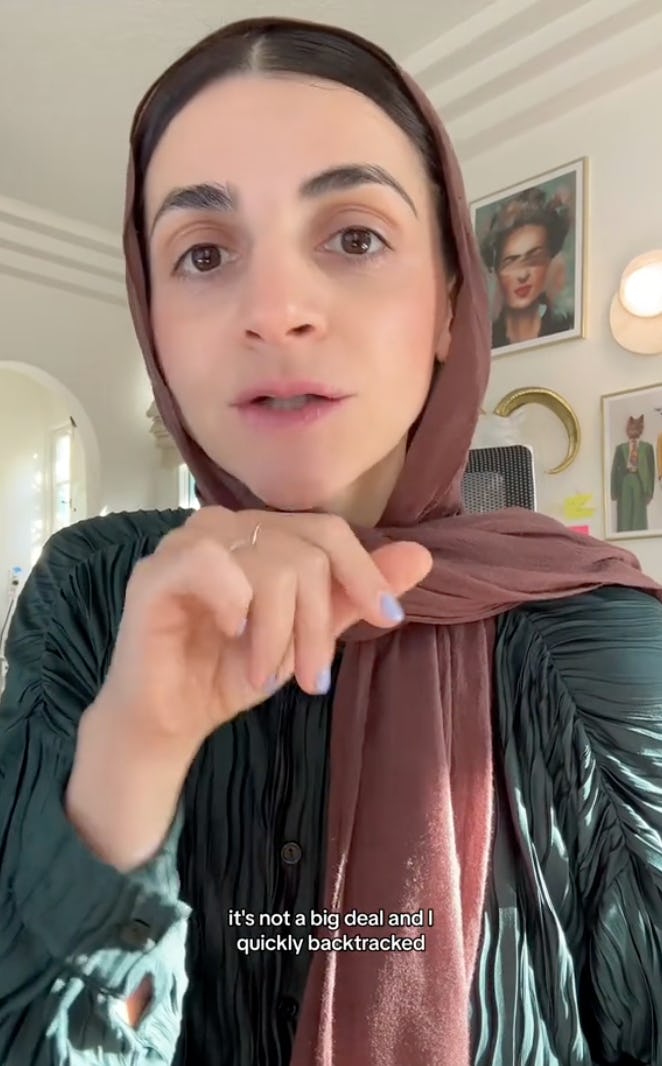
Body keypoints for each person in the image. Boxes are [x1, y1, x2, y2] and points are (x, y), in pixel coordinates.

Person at [1, 16, 662, 1066]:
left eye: (353, 236)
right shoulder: (91, 596)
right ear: (152, 322)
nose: (275, 309)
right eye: (204, 253)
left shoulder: (598, 646)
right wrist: (133, 750)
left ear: (450, 301)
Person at [479, 187, 574, 349]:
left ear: (548, 261)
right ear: (496, 269)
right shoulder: (483, 342)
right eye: (511, 262)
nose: (523, 275)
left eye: (534, 259)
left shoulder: (566, 326)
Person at [611, 414, 656, 532]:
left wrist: (650, 492)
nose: (633, 430)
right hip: (625, 480)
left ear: (641, 429)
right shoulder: (621, 448)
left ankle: (639, 533)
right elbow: (615, 470)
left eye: (636, 427)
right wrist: (614, 491)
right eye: (631, 428)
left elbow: (651, 470)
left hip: (640, 481)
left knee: (639, 511)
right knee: (625, 511)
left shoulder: (647, 447)